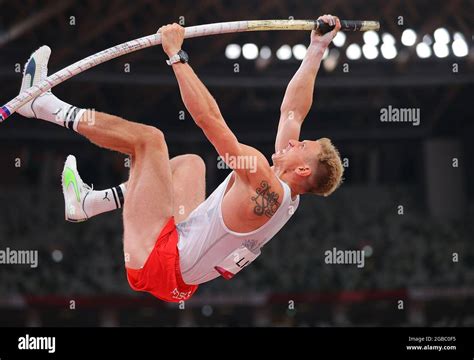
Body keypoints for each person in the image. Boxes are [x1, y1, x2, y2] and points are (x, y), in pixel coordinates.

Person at [17, 15, 344, 302]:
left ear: (302, 169)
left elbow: (210, 121)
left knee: (149, 140)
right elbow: (293, 112)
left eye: (303, 145)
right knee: (190, 164)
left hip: (159, 262)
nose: (295, 141)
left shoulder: (263, 181)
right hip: (182, 277)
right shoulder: (285, 192)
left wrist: (175, 54)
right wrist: (316, 49)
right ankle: (90, 203)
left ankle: (45, 107)